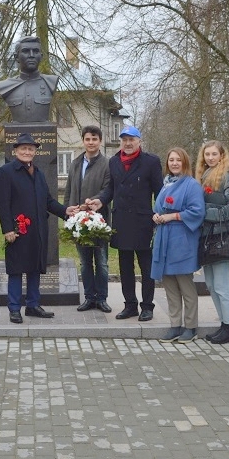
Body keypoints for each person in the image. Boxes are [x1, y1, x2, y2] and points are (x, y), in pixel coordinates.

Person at [87, 126, 163, 321]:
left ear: (139, 141)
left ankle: (147, 306)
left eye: (132, 139)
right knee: (125, 267)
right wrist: (101, 200)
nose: (128, 143)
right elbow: (111, 188)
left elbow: (160, 192)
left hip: (143, 222)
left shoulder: (151, 162)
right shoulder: (114, 162)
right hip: (121, 221)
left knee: (146, 268)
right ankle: (130, 305)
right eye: (124, 140)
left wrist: (159, 215)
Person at [0, 133, 68, 323]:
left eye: (30, 149)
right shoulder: (6, 171)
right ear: (16, 151)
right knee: (16, 268)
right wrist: (7, 229)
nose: (27, 152)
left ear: (35, 151)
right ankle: (14, 308)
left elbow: (48, 201)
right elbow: (3, 203)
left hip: (37, 230)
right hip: (18, 231)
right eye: (23, 148)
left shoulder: (39, 173)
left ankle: (33, 305)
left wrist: (66, 211)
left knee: (35, 267)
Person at [151, 148, 205, 343]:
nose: (174, 163)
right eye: (171, 160)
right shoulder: (166, 184)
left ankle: (191, 327)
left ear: (185, 162)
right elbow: (159, 207)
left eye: (178, 160)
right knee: (170, 286)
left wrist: (172, 216)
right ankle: (175, 325)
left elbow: (197, 212)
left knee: (185, 285)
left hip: (182, 239)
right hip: (164, 238)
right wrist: (156, 215)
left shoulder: (191, 185)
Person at [196, 140, 229, 344]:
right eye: (207, 154)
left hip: (221, 235)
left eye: (214, 154)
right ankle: (223, 324)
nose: (210, 158)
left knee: (223, 285)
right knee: (211, 284)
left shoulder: (228, 177)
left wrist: (207, 213)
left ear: (222, 155)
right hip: (206, 236)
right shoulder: (203, 175)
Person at [65, 125, 112, 313]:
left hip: (99, 221)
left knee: (101, 262)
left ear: (99, 141)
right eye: (87, 139)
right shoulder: (75, 163)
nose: (91, 142)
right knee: (85, 263)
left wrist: (96, 201)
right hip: (79, 221)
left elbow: (109, 188)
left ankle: (102, 298)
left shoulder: (107, 164)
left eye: (94, 139)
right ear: (83, 141)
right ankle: (89, 297)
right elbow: (69, 190)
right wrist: (68, 215)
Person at [0, 36, 60, 123]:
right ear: (16, 57)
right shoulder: (3, 87)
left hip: (43, 134)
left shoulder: (51, 82)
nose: (31, 55)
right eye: (26, 51)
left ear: (41, 56)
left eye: (36, 51)